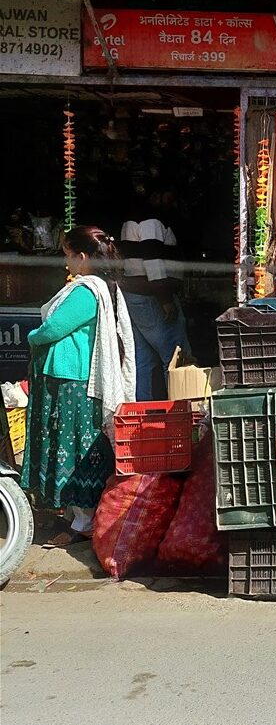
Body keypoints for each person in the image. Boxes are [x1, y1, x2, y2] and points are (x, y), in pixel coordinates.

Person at [21, 225, 136, 535]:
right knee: (69, 445)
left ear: (84, 257)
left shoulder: (87, 291)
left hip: (73, 383)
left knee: (74, 449)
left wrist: (32, 337)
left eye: (69, 256)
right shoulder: (99, 288)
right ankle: (76, 516)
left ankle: (83, 520)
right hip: (67, 381)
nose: (66, 263)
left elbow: (53, 329)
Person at [120, 189, 192, 401]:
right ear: (155, 197)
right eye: (168, 196)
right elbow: (153, 262)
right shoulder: (151, 222)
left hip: (135, 296)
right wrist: (166, 300)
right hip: (151, 297)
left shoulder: (131, 221)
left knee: (143, 358)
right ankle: (179, 409)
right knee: (175, 356)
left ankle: (143, 408)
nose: (172, 200)